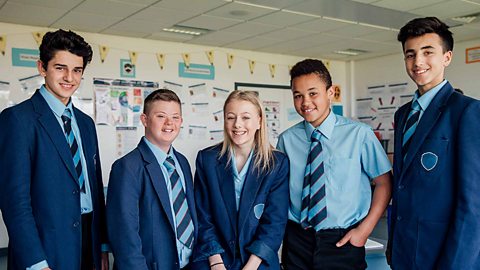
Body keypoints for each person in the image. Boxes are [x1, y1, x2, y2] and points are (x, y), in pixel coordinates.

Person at [0, 29, 108, 270]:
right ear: (42, 68)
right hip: (45, 247)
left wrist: (101, 246)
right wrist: (36, 262)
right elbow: (14, 201)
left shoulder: (86, 123)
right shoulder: (17, 120)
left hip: (88, 240)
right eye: (60, 68)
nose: (69, 77)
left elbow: (95, 189)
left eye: (77, 70)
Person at [278, 59, 392, 270]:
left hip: (343, 239)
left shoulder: (359, 134)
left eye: (313, 93)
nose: (305, 102)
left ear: (330, 93)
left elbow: (384, 183)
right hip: (297, 239)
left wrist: (364, 231)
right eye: (298, 95)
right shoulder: (286, 140)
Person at [388, 17, 480, 269]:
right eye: (410, 54)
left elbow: (473, 204)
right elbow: (403, 185)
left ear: (447, 57)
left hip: (443, 254)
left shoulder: (468, 112)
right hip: (404, 252)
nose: (418, 62)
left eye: (428, 52)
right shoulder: (403, 114)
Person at [193, 90, 289, 269]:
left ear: (259, 121)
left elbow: (274, 223)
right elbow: (202, 217)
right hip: (214, 256)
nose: (237, 124)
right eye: (231, 117)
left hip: (257, 259)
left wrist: (251, 265)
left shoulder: (277, 163)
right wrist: (216, 262)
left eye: (246, 117)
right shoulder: (207, 159)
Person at [106, 89, 197, 270]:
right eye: (161, 116)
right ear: (145, 120)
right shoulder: (127, 167)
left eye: (175, 117)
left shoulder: (183, 163)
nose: (169, 123)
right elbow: (125, 238)